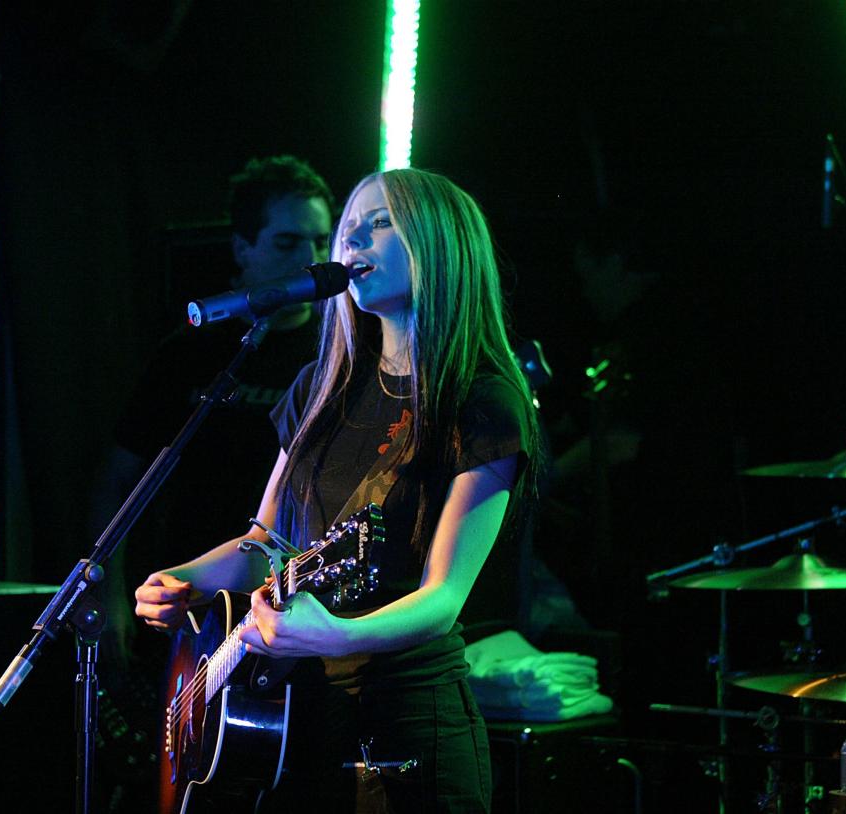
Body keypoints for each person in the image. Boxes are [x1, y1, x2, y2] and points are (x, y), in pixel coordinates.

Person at [134, 168, 542, 812]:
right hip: (306, 719)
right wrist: (189, 576)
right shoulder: (318, 389)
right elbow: (265, 543)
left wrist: (338, 636)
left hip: (408, 725)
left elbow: (443, 599)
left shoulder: (480, 402)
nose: (353, 243)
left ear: (440, 244)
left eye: (379, 224)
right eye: (348, 231)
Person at [93, 155, 335, 669]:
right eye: (289, 242)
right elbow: (120, 480)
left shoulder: (334, 356)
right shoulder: (189, 354)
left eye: (321, 240)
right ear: (242, 248)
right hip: (190, 601)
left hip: (289, 605)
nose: (312, 257)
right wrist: (109, 599)